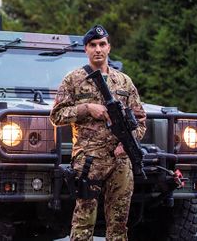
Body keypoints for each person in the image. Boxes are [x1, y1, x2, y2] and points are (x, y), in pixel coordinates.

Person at [50, 25, 146, 240]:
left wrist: (128, 143)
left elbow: (140, 120)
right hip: (89, 160)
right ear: (86, 49)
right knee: (84, 222)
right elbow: (56, 115)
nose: (98, 49)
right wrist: (87, 109)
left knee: (119, 225)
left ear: (109, 47)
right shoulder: (73, 80)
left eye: (102, 44)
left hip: (121, 160)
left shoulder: (124, 81)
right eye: (93, 45)